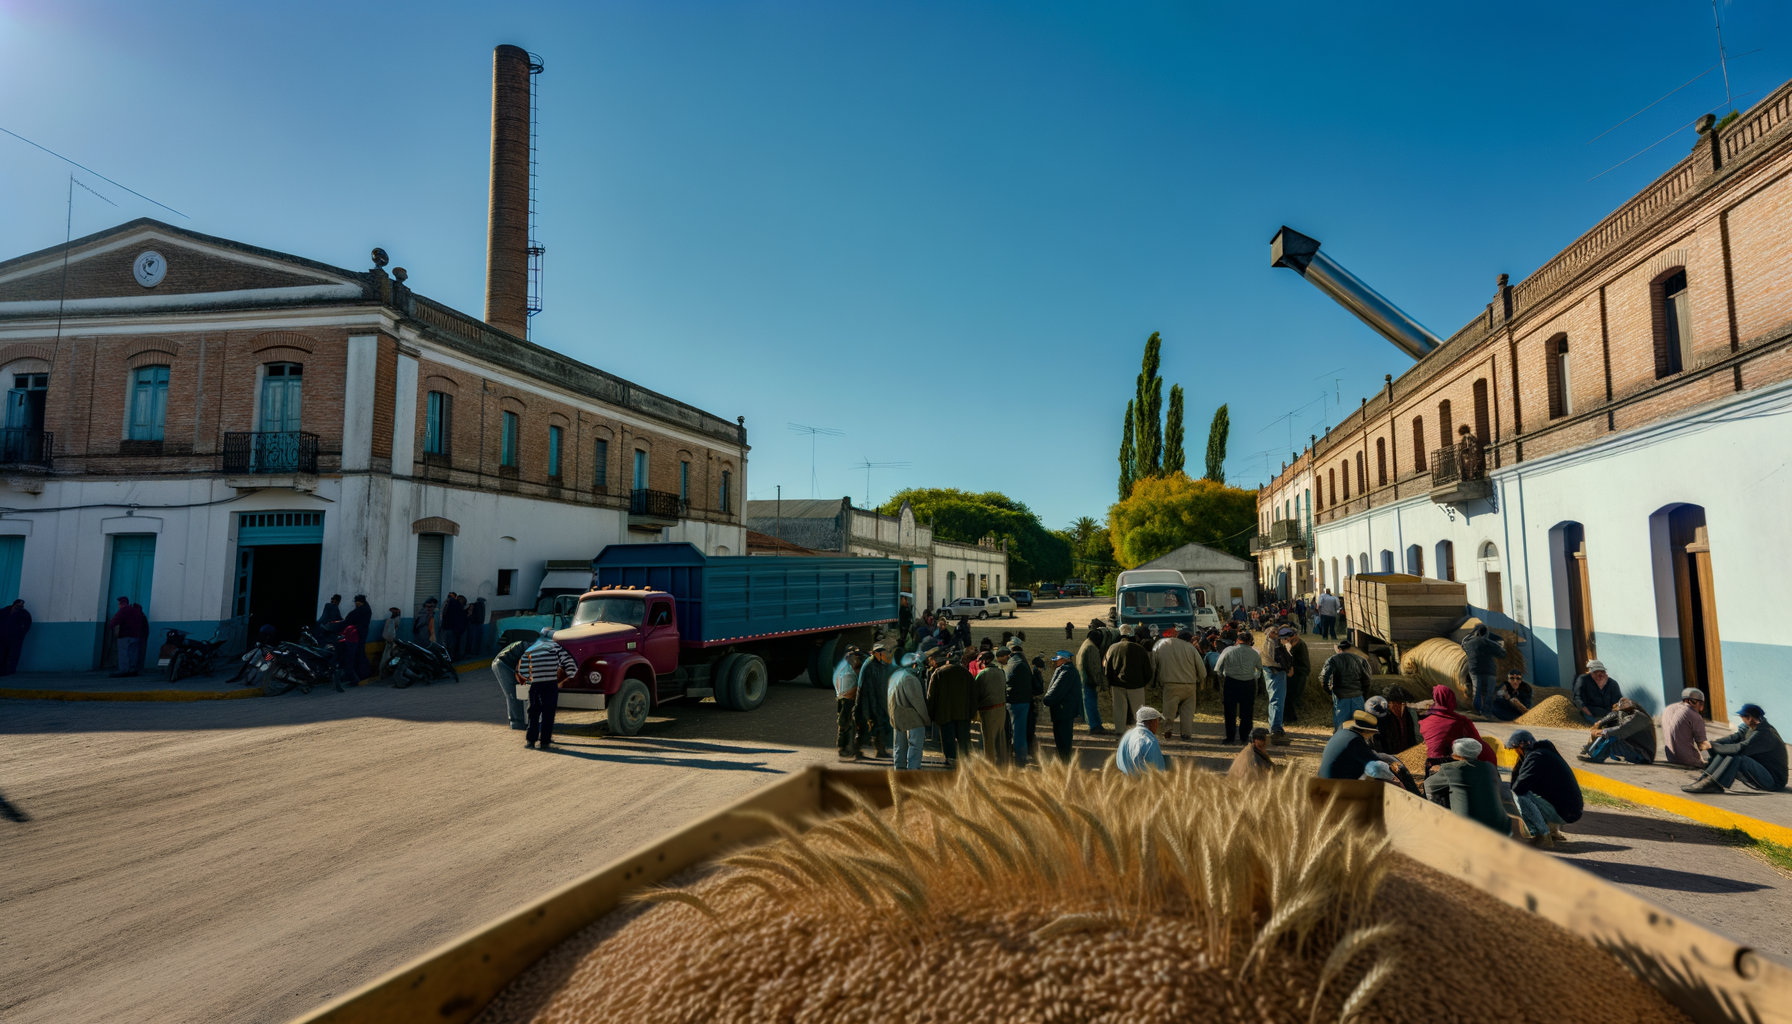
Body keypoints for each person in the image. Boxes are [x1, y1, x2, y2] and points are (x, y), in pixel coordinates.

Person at [1683, 704, 1787, 794]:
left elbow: (1740, 748)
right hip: (1761, 769)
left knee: (1736, 755)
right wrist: (1714, 742)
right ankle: (1707, 778)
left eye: (1742, 716)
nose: (1741, 719)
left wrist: (1712, 746)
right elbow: (1734, 737)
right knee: (1727, 748)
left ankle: (1713, 784)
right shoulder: (1752, 726)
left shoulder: (1765, 733)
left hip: (1773, 781)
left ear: (1749, 718)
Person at [1507, 729, 1583, 847]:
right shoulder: (1540, 753)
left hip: (1566, 812)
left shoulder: (1537, 757)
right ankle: (1552, 831)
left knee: (1519, 796)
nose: (1516, 752)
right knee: (1527, 793)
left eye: (1516, 748)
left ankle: (1542, 834)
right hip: (1566, 809)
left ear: (1521, 745)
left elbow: (1517, 788)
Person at [1423, 737, 1510, 833]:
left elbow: (1429, 785)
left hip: (1467, 832)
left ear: (1457, 754)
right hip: (1501, 829)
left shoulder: (1451, 769)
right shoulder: (1490, 767)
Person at [520, 627, 577, 750]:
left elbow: (523, 671)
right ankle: (545, 743)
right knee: (548, 714)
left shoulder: (530, 650)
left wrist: (531, 677)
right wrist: (565, 679)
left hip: (535, 685)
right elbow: (571, 665)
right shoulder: (556, 648)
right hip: (550, 684)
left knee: (533, 713)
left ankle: (530, 741)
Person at [1419, 684, 1496, 770]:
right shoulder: (1460, 721)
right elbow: (1475, 742)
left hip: (1427, 763)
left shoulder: (1424, 720)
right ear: (1451, 700)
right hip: (1447, 765)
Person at [924, 647, 976, 769]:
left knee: (948, 737)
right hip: (963, 713)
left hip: (944, 712)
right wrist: (972, 712)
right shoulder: (966, 673)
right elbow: (974, 695)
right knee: (963, 738)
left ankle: (951, 760)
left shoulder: (938, 673)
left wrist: (930, 715)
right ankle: (965, 760)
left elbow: (931, 696)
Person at [1152, 625, 1206, 742]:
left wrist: (1154, 681)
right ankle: (1186, 734)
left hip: (1170, 684)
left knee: (1169, 711)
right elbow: (1202, 669)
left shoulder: (1161, 645)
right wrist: (1201, 681)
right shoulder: (1191, 648)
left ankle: (1168, 732)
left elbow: (1153, 665)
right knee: (1187, 712)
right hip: (1190, 685)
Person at [1213, 630, 1264, 745]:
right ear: (1251, 642)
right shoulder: (1255, 653)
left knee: (1230, 712)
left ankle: (1230, 737)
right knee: (1247, 712)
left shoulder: (1228, 650)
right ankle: (1244, 736)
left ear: (1238, 640)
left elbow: (1217, 668)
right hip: (1248, 684)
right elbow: (1259, 670)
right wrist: (1253, 676)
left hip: (1231, 682)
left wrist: (1223, 675)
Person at [1318, 710, 1394, 780]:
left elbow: (1368, 755)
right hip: (1337, 786)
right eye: (1372, 733)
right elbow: (1376, 767)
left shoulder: (1343, 733)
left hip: (1323, 780)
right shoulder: (1355, 741)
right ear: (1366, 731)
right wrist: (1394, 776)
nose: (1371, 736)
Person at [1103, 624, 1153, 729]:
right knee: (1139, 712)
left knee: (1119, 710)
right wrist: (1142, 683)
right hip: (1136, 685)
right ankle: (1140, 731)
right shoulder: (1140, 649)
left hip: (1118, 685)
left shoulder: (1112, 648)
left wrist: (1111, 682)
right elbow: (1148, 671)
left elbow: (1107, 668)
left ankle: (1120, 732)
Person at [1580, 698, 1656, 765]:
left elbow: (1621, 730)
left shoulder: (1638, 717)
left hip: (1643, 756)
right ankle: (1590, 750)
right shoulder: (1630, 714)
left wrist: (1600, 731)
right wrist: (1600, 723)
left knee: (1611, 737)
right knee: (1608, 731)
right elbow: (1614, 715)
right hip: (1637, 750)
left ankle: (1597, 758)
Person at [888, 653, 931, 769]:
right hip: (912, 718)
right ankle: (913, 772)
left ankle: (899, 771)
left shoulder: (896, 675)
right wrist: (926, 719)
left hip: (897, 716)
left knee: (899, 746)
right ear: (914, 664)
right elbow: (918, 703)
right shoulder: (910, 679)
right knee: (915, 747)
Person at [1000, 645, 1039, 767]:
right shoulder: (1021, 663)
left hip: (1014, 702)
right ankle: (1021, 757)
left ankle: (1020, 759)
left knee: (1017, 732)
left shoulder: (1012, 664)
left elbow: (1007, 682)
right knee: (1020, 731)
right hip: (1024, 700)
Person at [1318, 637, 1369, 728]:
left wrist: (1329, 691)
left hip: (1341, 697)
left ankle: (1341, 741)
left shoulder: (1332, 660)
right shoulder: (1359, 660)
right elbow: (1366, 680)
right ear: (1349, 649)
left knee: (1342, 725)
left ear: (1339, 649)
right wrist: (1363, 692)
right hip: (1357, 697)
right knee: (1358, 725)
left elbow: (1323, 678)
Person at [973, 648, 1011, 765]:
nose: (978, 663)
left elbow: (976, 694)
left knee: (989, 740)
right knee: (1001, 740)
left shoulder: (982, 675)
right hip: (1001, 710)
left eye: (980, 661)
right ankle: (1003, 765)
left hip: (988, 711)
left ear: (985, 661)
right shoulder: (1001, 672)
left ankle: (990, 766)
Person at [1042, 650, 1081, 762]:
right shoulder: (1067, 670)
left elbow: (1057, 689)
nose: (1055, 662)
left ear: (1065, 660)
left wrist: (1047, 700)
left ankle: (1065, 763)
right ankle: (1065, 761)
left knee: (1062, 738)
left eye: (1057, 660)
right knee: (1063, 738)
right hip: (1064, 709)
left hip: (1063, 710)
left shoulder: (1066, 671)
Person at [856, 643, 894, 760]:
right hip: (868, 701)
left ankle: (880, 750)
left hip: (878, 700)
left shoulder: (881, 664)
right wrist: (872, 706)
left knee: (880, 725)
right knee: (866, 728)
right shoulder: (869, 665)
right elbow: (867, 689)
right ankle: (855, 750)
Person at [1460, 624, 1506, 717]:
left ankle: (1478, 712)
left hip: (1474, 670)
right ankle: (1487, 713)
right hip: (1489, 671)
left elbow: (1463, 644)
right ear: (1486, 633)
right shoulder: (1488, 643)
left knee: (1476, 692)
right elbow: (1502, 654)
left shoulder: (1468, 643)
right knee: (1488, 694)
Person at [1660, 688, 1710, 767]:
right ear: (1697, 703)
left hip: (1671, 757)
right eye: (1701, 704)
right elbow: (1702, 745)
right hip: (1688, 760)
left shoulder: (1668, 708)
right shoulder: (1695, 716)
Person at [834, 646, 868, 761]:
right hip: (847, 699)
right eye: (856, 656)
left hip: (847, 698)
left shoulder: (847, 666)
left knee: (851, 723)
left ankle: (852, 748)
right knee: (845, 722)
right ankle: (843, 748)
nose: (857, 659)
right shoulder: (846, 669)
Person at [1262, 628, 1293, 744]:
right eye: (1275, 632)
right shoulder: (1273, 644)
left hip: (1269, 672)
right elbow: (1275, 660)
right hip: (1276, 673)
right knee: (1277, 700)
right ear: (1269, 633)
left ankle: (1274, 726)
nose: (1277, 634)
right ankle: (1276, 729)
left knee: (1273, 700)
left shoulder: (1266, 642)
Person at [1370, 686, 1422, 756]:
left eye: (1403, 703)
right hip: (1390, 756)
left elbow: (1417, 736)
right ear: (1389, 703)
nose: (1402, 707)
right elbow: (1377, 742)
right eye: (1397, 704)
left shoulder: (1410, 713)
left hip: (1408, 754)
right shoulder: (1381, 717)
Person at [1116, 705, 1166, 776]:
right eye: (1158, 722)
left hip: (1125, 782)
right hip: (1143, 784)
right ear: (1152, 722)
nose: (1158, 726)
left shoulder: (1126, 736)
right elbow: (1158, 771)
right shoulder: (1149, 741)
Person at [1076, 626, 1108, 735]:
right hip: (1088, 680)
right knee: (1091, 703)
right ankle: (1095, 726)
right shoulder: (1092, 648)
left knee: (1087, 703)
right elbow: (1094, 667)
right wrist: (1097, 681)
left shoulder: (1085, 644)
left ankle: (1094, 724)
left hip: (1082, 678)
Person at [492, 637, 528, 729]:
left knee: (517, 693)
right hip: (501, 664)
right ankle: (516, 723)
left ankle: (521, 721)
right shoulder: (532, 648)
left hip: (507, 663)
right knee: (512, 694)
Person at [107, 596, 149, 677]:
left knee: (124, 654)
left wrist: (111, 627)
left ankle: (124, 670)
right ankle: (132, 669)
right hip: (136, 636)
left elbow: (115, 620)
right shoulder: (136, 611)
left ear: (121, 603)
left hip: (125, 635)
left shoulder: (123, 610)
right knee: (133, 653)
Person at [1282, 628, 1310, 726]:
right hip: (1301, 671)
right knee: (1291, 695)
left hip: (1299, 672)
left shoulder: (1297, 644)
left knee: (1290, 695)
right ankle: (1291, 717)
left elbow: (1289, 654)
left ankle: (1290, 718)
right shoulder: (1300, 642)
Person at [343, 595, 374, 680]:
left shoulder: (361, 611)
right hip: (362, 634)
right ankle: (362, 674)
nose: (355, 603)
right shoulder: (367, 609)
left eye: (357, 602)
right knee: (360, 654)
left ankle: (356, 675)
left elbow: (349, 618)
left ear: (361, 602)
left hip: (357, 635)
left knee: (355, 655)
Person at [0, 598, 30, 675]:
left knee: (13, 654)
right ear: (13, 606)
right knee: (2, 653)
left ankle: (10, 671)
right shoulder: (4, 612)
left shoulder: (24, 614)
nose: (19, 608)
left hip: (15, 638)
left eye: (21, 607)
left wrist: (20, 635)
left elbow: (26, 625)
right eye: (18, 606)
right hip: (3, 637)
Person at [441, 592, 467, 658]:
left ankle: (449, 657)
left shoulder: (446, 604)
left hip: (447, 627)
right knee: (453, 644)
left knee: (446, 644)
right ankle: (453, 657)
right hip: (455, 628)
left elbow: (444, 616)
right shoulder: (457, 605)